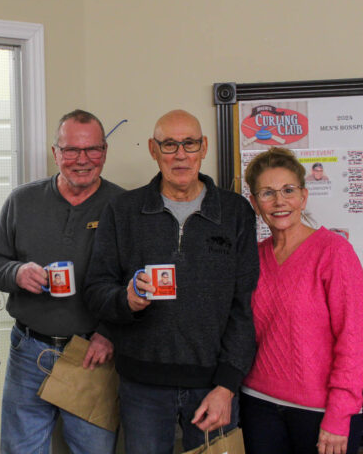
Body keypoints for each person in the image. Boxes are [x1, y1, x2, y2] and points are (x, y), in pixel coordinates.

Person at [83, 109, 259, 453]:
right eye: (169, 145)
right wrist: (126, 300)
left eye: (190, 143)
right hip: (142, 386)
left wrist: (227, 385)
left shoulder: (235, 212)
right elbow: (96, 289)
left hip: (213, 386)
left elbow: (243, 307)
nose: (180, 154)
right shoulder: (123, 211)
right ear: (153, 149)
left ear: (204, 147)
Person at [0, 109, 124, 454]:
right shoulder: (22, 200)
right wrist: (16, 273)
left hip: (92, 354)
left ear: (104, 152)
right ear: (55, 153)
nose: (82, 160)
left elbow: (135, 284)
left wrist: (109, 333)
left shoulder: (123, 206)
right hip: (28, 349)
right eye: (71, 150)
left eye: (91, 150)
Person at [240, 147, 363, 454]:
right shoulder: (253, 258)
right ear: (254, 203)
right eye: (268, 193)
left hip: (320, 411)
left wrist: (339, 414)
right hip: (259, 405)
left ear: (304, 197)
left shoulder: (333, 251)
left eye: (288, 190)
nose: (279, 201)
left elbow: (354, 338)